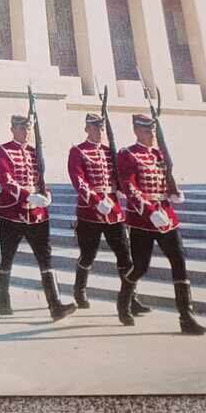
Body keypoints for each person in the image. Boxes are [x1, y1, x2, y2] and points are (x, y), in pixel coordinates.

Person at [117, 113, 206, 335]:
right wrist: (149, 211)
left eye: (153, 130)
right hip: (142, 220)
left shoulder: (159, 154)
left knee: (179, 260)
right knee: (140, 267)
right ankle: (124, 298)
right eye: (147, 131)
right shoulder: (127, 154)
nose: (151, 135)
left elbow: (165, 179)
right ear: (137, 131)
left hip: (166, 215)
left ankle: (186, 316)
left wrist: (174, 193)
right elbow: (129, 187)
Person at [66, 113, 151, 325]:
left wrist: (124, 190)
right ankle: (80, 289)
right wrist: (95, 200)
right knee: (88, 255)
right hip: (90, 213)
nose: (99, 132)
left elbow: (121, 178)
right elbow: (79, 181)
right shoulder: (77, 151)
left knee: (125, 256)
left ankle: (131, 299)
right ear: (87, 129)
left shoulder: (109, 152)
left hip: (113, 212)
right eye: (95, 128)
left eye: (101, 128)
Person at [0, 114, 77, 321]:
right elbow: (6, 180)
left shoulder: (34, 153)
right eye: (22, 129)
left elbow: (40, 179)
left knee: (45, 258)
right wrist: (28, 195)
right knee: (6, 258)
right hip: (11, 213)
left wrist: (46, 194)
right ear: (12, 129)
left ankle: (55, 305)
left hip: (37, 215)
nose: (26, 132)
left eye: (28, 129)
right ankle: (3, 300)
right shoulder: (2, 150)